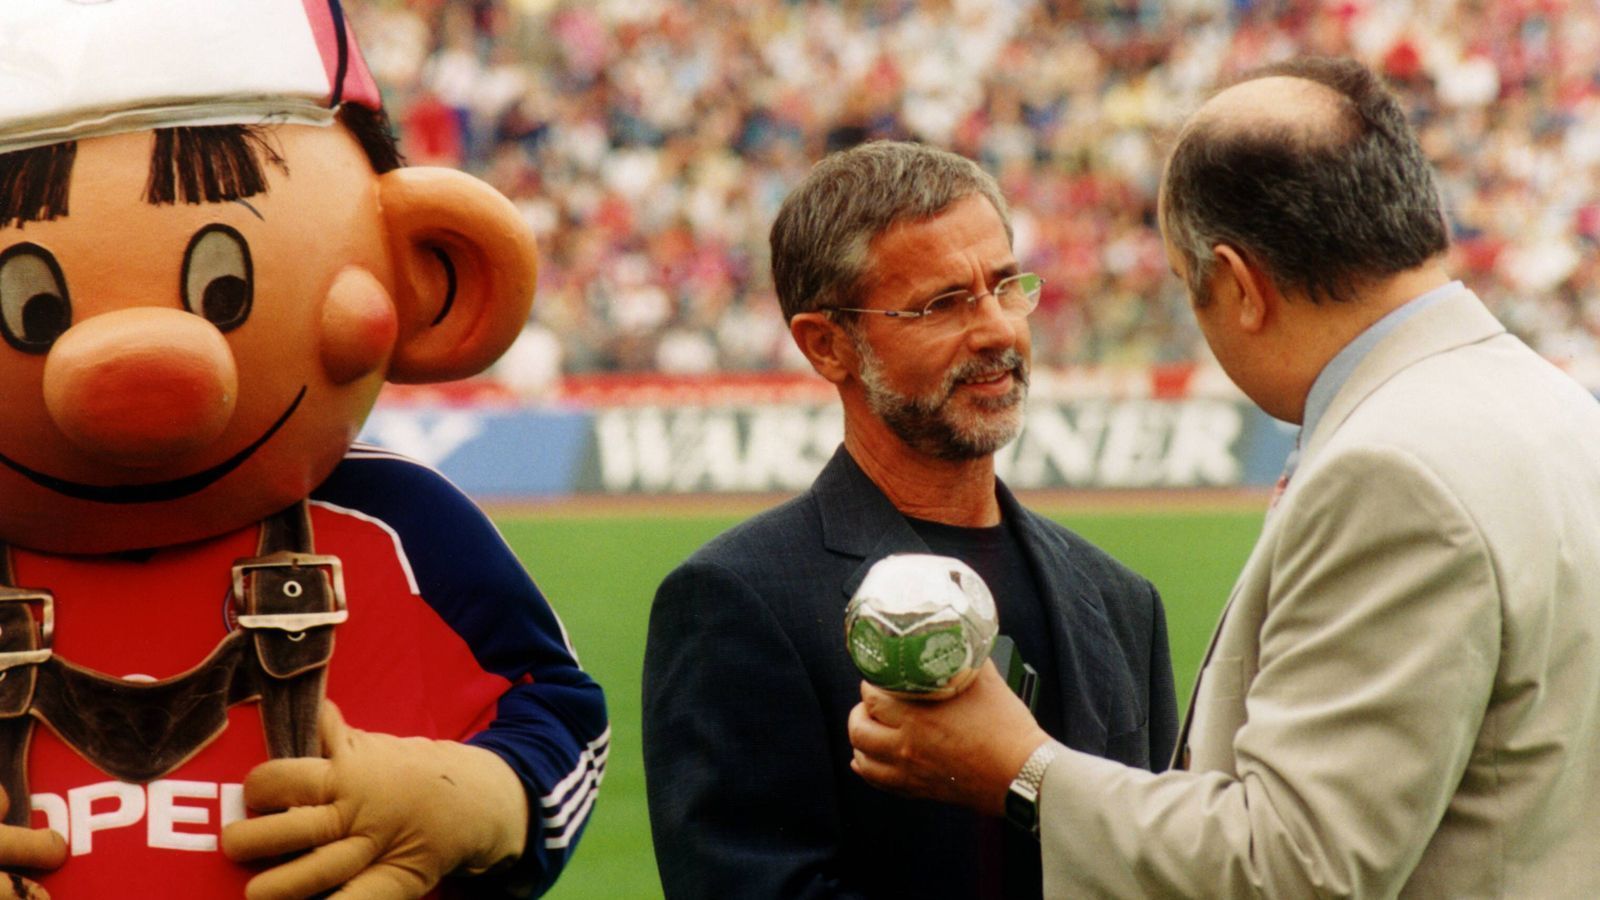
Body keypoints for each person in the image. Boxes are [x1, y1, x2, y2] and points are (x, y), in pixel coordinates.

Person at [848, 56, 1600, 898]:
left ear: (1240, 285)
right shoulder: (1559, 408)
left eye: (1187, 284)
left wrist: (1023, 771)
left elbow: (1293, 867)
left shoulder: (1391, 471)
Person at [0, 3, 606, 898]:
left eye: (224, 286)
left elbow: (559, 719)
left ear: (428, 266)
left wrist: (485, 797)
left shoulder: (400, 528)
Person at [642, 140, 1178, 898]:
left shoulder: (1123, 601)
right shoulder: (735, 602)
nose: (997, 330)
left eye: (1004, 286)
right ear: (828, 347)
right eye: (943, 304)